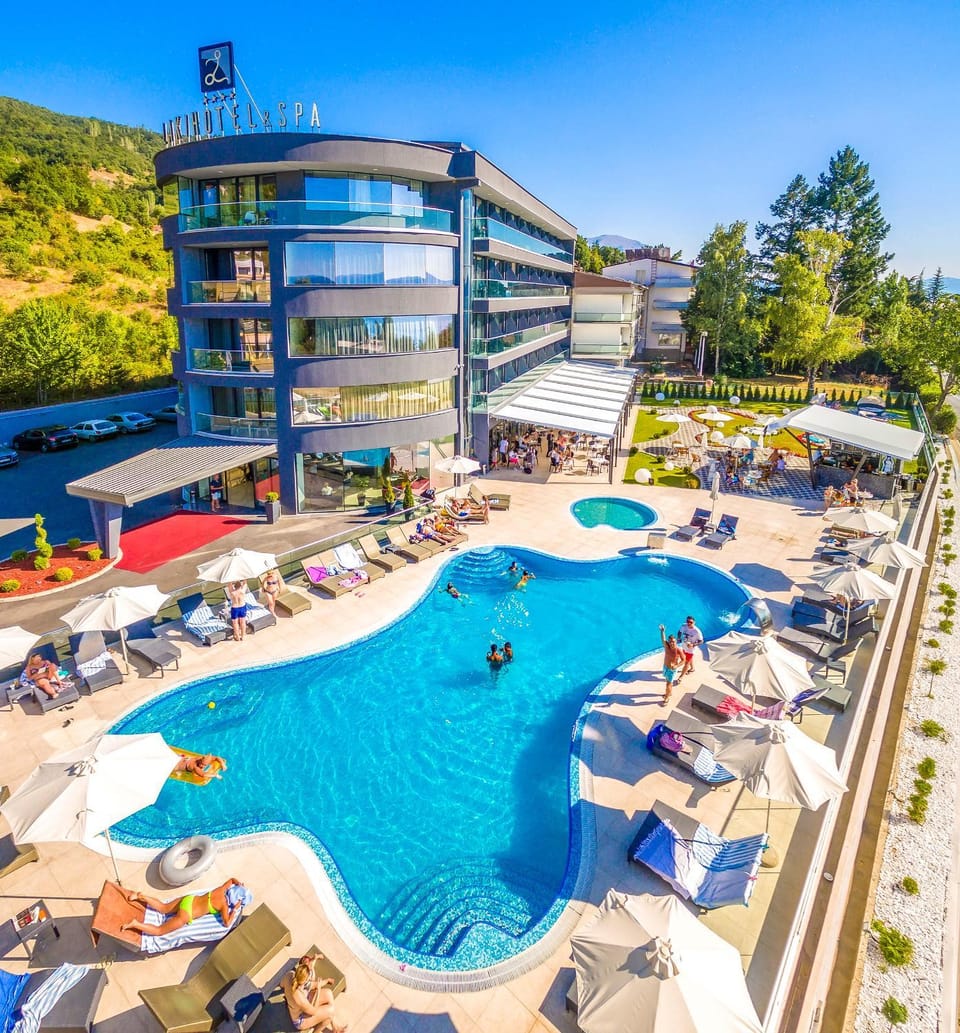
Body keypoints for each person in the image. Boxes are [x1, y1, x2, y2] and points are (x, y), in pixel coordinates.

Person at [119, 878, 251, 935]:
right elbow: (227, 923)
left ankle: (141, 896)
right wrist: (234, 909)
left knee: (164, 908)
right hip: (187, 913)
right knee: (160, 931)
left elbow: (232, 879)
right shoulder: (223, 905)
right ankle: (135, 924)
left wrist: (240, 884)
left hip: (189, 900)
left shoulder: (221, 889)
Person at [280, 953, 347, 1032]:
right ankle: (317, 1031)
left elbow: (281, 985)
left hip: (304, 1002)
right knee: (330, 1012)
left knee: (328, 993)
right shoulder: (300, 998)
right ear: (304, 982)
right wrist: (318, 990)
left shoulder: (290, 974)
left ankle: (335, 1026)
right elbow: (313, 1012)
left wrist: (326, 980)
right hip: (301, 1019)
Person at [658, 624, 683, 706]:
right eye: (670, 641)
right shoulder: (667, 647)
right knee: (667, 681)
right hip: (665, 667)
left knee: (668, 684)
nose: (672, 643)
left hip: (672, 670)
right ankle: (670, 692)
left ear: (676, 642)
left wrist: (677, 666)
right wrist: (662, 631)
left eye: (673, 641)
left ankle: (667, 697)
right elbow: (663, 639)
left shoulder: (678, 650)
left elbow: (684, 660)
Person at [676, 616, 703, 680]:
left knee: (686, 662)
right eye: (687, 621)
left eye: (691, 622)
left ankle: (681, 677)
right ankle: (692, 668)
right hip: (684, 646)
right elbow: (679, 632)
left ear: (694, 622)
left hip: (690, 650)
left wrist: (693, 645)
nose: (689, 623)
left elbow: (701, 641)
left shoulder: (697, 631)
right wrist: (679, 638)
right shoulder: (684, 626)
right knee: (688, 659)